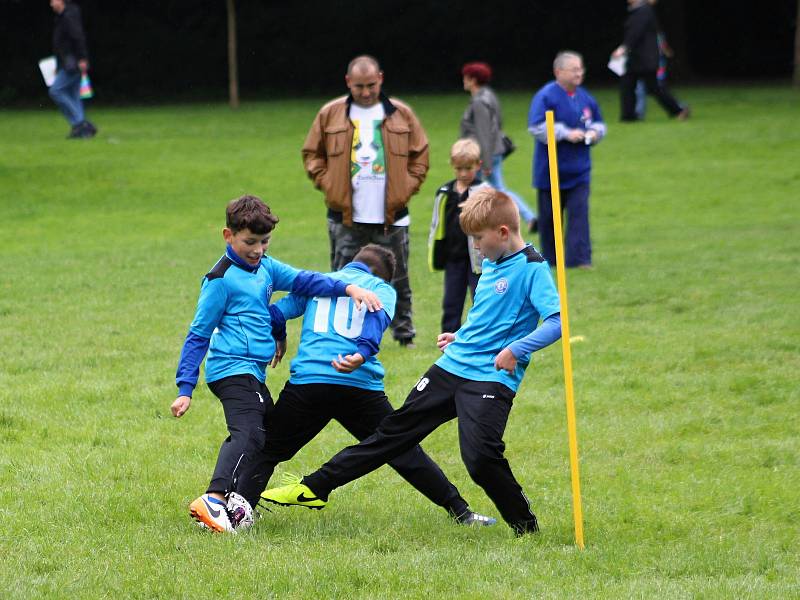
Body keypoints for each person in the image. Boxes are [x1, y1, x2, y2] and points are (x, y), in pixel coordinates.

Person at [260, 189, 563, 537]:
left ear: (504, 233)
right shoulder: (493, 263)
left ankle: (526, 529)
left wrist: (516, 350)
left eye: (479, 239)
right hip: (451, 367)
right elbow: (487, 317)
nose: (476, 247)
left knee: (480, 459)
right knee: (392, 434)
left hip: (490, 377)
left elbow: (556, 322)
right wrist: (460, 336)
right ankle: (314, 487)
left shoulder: (533, 268)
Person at [231, 244, 496, 529]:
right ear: (384, 278)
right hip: (359, 386)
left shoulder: (322, 281)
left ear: (350, 265)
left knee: (269, 449)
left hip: (309, 383)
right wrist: (361, 353)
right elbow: (377, 317)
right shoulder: (383, 289)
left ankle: (236, 514)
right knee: (402, 447)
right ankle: (461, 512)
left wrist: (279, 336)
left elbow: (274, 315)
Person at [171, 195, 382, 533]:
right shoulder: (219, 279)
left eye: (264, 241)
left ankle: (237, 507)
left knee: (266, 437)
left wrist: (348, 287)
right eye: (249, 242)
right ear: (228, 235)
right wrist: (185, 388)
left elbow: (306, 281)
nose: (257, 249)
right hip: (231, 369)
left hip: (251, 372)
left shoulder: (266, 266)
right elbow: (198, 335)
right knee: (250, 433)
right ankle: (214, 497)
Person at [302, 55, 428, 348]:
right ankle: (343, 333)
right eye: (359, 86)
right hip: (345, 217)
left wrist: (405, 189)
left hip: (392, 215)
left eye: (371, 85)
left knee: (400, 278)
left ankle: (404, 334)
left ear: (381, 78)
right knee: (343, 279)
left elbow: (419, 155)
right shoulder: (330, 113)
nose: (367, 91)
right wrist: (328, 183)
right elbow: (312, 154)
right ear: (349, 83)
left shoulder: (400, 113)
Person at [527, 51, 606, 269]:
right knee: (550, 219)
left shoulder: (585, 97)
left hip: (579, 169)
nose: (579, 73)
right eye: (574, 69)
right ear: (558, 72)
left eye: (581, 69)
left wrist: (594, 133)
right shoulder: (546, 96)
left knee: (580, 215)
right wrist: (564, 133)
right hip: (551, 170)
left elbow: (599, 122)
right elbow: (535, 126)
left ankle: (580, 259)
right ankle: (550, 261)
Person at [460, 62, 538, 234]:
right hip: (493, 151)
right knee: (496, 189)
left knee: (477, 190)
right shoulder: (490, 95)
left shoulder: (479, 102)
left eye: (466, 77)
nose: (463, 80)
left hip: (483, 154)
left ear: (473, 80)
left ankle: (471, 225)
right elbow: (498, 124)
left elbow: (483, 133)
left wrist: (485, 162)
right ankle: (528, 217)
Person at [427, 139, 487, 334]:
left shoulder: (484, 192)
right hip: (453, 258)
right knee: (451, 302)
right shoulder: (444, 192)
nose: (463, 173)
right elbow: (437, 224)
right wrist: (436, 251)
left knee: (481, 299)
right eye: (459, 168)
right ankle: (448, 342)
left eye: (468, 168)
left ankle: (482, 337)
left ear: (478, 165)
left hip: (478, 259)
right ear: (452, 165)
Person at [612, 0, 689, 122]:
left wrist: (623, 48)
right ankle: (628, 117)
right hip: (636, 58)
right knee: (628, 85)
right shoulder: (637, 11)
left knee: (653, 87)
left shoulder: (644, 10)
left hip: (645, 59)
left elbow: (636, 32)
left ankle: (678, 109)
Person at [49, 0, 97, 139]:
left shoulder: (68, 16)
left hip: (72, 62)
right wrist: (58, 66)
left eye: (53, 1)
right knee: (74, 94)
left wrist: (82, 58)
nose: (51, 4)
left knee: (55, 91)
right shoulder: (62, 16)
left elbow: (78, 37)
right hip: (67, 62)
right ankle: (82, 131)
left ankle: (80, 123)